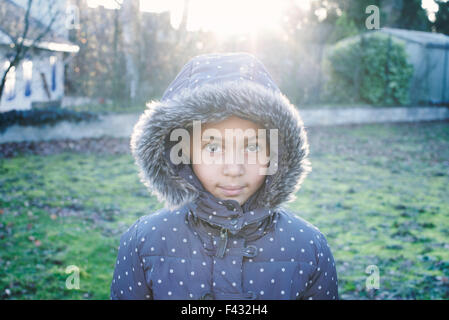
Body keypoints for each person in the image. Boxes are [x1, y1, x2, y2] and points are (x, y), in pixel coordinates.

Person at [110, 52, 338, 300]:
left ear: (276, 152)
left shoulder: (308, 248)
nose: (233, 169)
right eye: (213, 148)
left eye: (252, 147)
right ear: (184, 153)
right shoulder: (145, 243)